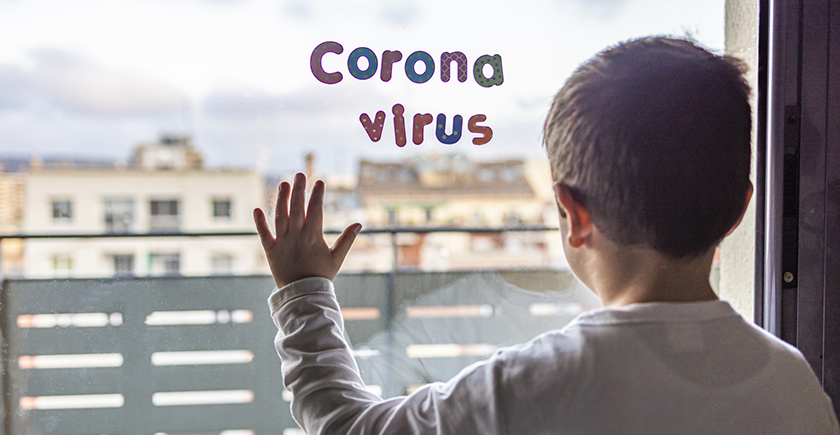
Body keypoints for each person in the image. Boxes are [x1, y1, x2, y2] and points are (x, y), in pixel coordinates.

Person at [253, 37, 840, 434]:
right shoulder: (794, 388)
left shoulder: (527, 387)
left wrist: (304, 290)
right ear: (740, 211)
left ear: (573, 214)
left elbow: (346, 425)